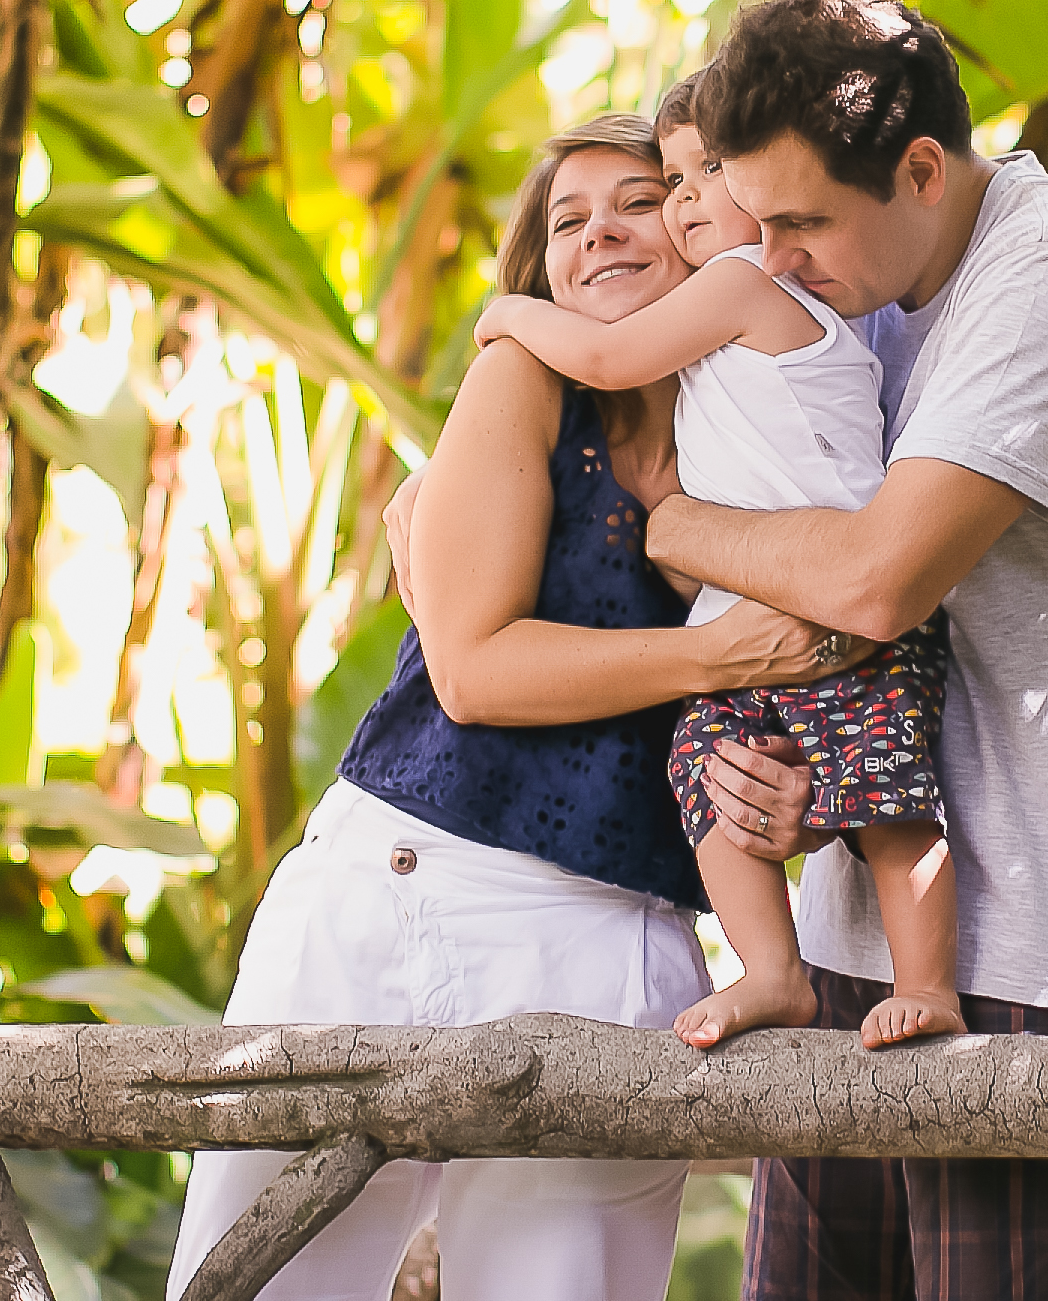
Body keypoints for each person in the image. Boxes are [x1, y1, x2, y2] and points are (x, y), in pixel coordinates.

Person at [163, 113, 855, 1301]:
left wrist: (804, 788)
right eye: (566, 222)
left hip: (613, 938)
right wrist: (716, 659)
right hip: (396, 889)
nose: (599, 234)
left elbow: (848, 650)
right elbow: (474, 674)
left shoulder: (766, 406)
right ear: (537, 273)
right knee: (256, 1286)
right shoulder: (524, 375)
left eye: (635, 200)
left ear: (706, 215)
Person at [646, 0, 1048, 1301]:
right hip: (849, 942)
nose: (767, 257)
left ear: (922, 169)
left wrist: (669, 524)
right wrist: (793, 782)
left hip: (1025, 968)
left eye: (797, 222)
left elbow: (876, 583)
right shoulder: (855, 284)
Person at [473, 73, 960, 1050]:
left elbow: (609, 362)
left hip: (840, 602)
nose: (690, 196)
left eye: (705, 174)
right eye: (677, 176)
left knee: (891, 803)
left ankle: (930, 984)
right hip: (750, 615)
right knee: (702, 764)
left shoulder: (745, 290)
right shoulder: (713, 341)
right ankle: (772, 970)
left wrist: (509, 315)